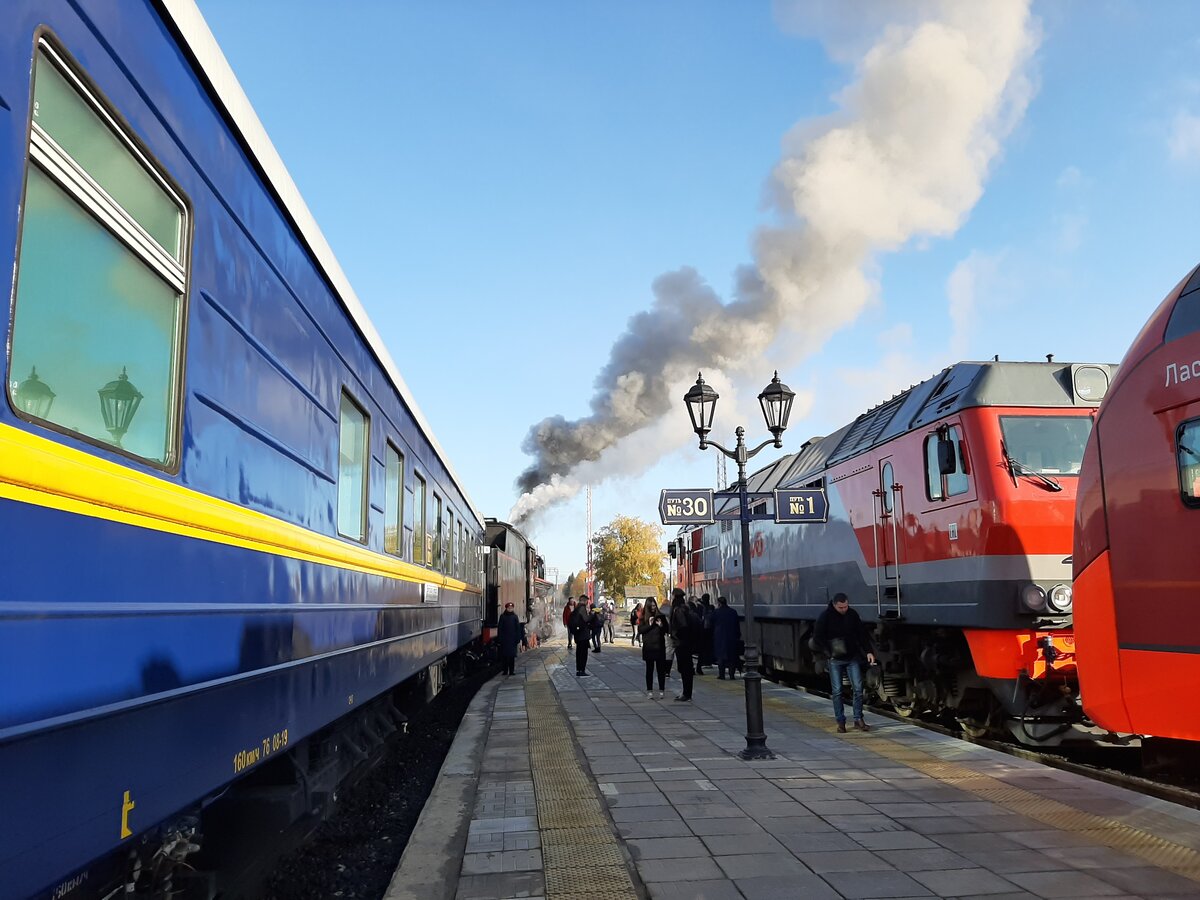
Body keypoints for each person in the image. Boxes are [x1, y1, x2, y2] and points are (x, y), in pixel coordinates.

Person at [813, 592, 876, 733]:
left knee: (858, 689)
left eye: (846, 606)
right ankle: (840, 721)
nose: (844, 610)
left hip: (852, 657)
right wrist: (828, 652)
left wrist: (868, 651)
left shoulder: (852, 614)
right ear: (834, 605)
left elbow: (861, 634)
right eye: (841, 607)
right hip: (835, 659)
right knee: (837, 691)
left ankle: (858, 719)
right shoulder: (825, 617)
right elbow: (817, 637)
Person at [669, 588, 697, 701]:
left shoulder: (678, 610)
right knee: (687, 668)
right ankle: (687, 693)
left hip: (682, 643)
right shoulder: (686, 608)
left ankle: (686, 694)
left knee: (684, 668)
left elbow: (682, 626)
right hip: (687, 642)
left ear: (675, 597)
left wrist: (677, 637)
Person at [639, 600, 670, 699]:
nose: (653, 608)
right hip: (649, 647)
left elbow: (667, 629)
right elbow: (640, 630)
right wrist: (650, 624)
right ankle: (649, 691)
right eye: (651, 606)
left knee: (661, 670)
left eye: (654, 606)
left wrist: (661, 625)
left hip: (659, 646)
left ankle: (662, 690)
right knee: (649, 670)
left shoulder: (660, 616)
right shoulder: (644, 617)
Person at [711, 596, 741, 680]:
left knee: (721, 657)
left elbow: (711, 623)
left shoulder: (716, 612)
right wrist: (737, 636)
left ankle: (722, 675)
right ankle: (732, 675)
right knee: (732, 657)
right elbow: (737, 626)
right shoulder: (733, 612)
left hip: (719, 638)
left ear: (719, 603)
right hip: (732, 637)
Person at [496, 601, 527, 676]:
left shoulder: (515, 617)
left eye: (511, 608)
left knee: (512, 657)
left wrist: (518, 638)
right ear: (506, 608)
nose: (510, 609)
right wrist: (500, 638)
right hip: (505, 640)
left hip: (512, 640)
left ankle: (512, 671)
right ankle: (505, 670)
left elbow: (518, 628)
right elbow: (500, 628)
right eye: (509, 608)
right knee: (505, 657)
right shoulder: (502, 616)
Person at [569, 596, 591, 676]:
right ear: (585, 601)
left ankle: (579, 670)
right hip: (583, 635)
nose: (587, 603)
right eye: (587, 601)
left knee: (579, 653)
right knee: (583, 653)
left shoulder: (576, 608)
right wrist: (592, 614)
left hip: (578, 634)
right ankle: (582, 670)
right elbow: (586, 619)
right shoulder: (582, 608)